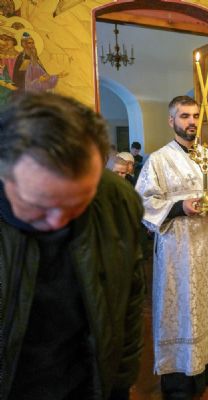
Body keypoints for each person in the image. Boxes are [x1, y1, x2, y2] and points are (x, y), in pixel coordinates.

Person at [0, 92, 145, 400]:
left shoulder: (117, 199)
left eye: (79, 202)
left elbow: (130, 298)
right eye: (40, 205)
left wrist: (121, 381)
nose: (58, 221)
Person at [136, 96, 208, 399]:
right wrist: (180, 206)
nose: (191, 121)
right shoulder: (158, 160)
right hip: (177, 248)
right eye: (184, 116)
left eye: (195, 116)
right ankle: (180, 380)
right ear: (171, 121)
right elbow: (143, 200)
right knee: (180, 306)